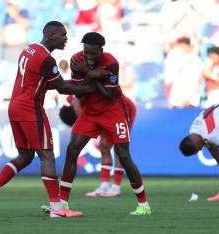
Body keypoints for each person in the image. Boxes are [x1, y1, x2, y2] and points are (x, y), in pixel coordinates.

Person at [0, 21, 96, 218]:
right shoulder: (47, 59)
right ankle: (57, 209)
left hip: (15, 106)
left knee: (25, 156)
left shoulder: (29, 49)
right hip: (30, 109)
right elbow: (62, 88)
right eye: (62, 35)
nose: (66, 38)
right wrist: (91, 85)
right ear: (50, 35)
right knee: (47, 155)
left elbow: (41, 81)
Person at [58, 32, 151, 215]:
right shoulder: (77, 60)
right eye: (87, 53)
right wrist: (91, 74)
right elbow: (78, 92)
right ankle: (62, 204)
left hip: (114, 112)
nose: (89, 58)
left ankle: (143, 205)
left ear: (101, 50)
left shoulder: (111, 63)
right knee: (72, 150)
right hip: (90, 113)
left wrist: (89, 74)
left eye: (93, 54)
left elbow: (109, 95)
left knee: (124, 156)